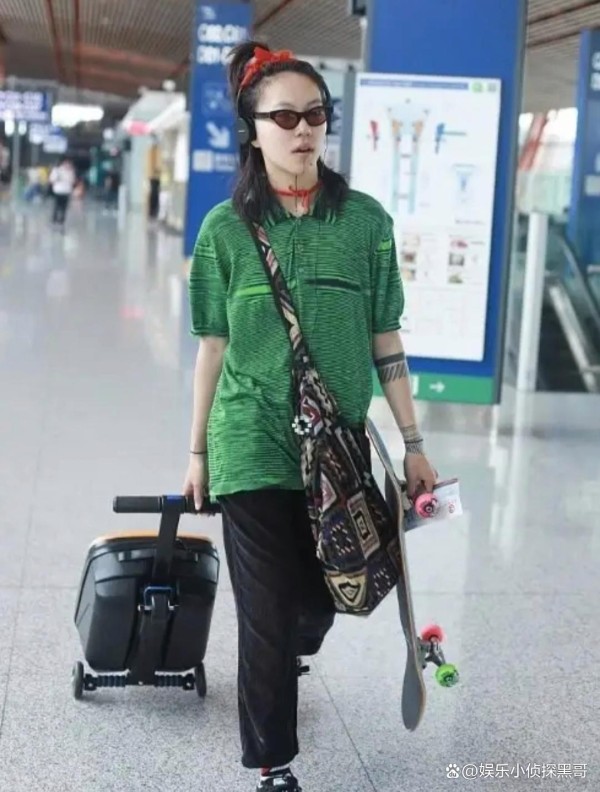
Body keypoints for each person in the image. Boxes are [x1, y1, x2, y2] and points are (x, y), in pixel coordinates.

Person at [183, 41, 437, 792]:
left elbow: (385, 337)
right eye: (285, 117)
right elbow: (211, 346)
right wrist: (196, 452)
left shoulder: (364, 223)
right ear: (253, 129)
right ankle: (274, 762)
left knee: (319, 600)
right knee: (263, 611)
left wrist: (412, 442)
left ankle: (298, 640)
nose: (303, 130)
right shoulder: (224, 230)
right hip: (249, 436)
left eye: (315, 115)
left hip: (337, 444)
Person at [49, 158, 76, 228]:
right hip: (58, 191)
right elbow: (51, 180)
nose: (68, 165)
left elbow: (73, 181)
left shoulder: (71, 171)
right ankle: (54, 220)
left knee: (64, 207)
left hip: (66, 191)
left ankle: (61, 220)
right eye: (66, 163)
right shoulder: (57, 170)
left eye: (69, 163)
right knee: (57, 206)